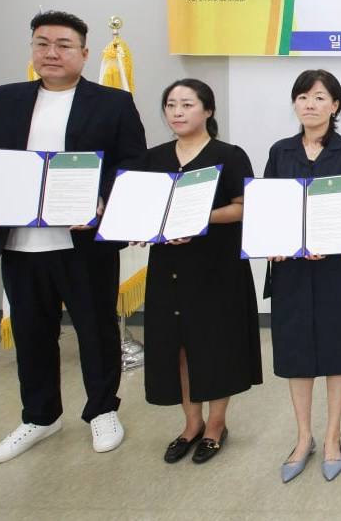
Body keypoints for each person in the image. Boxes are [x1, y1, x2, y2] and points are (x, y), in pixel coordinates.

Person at [0, 11, 147, 464]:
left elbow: (134, 166)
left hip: (82, 244)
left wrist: (105, 201)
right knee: (32, 334)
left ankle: (103, 409)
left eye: (63, 45)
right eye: (42, 43)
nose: (51, 52)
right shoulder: (3, 99)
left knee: (96, 331)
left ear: (84, 54)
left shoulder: (112, 104)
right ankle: (40, 416)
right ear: (31, 49)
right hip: (19, 243)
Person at [265, 69, 341, 483]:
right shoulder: (280, 151)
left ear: (335, 106)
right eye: (302, 97)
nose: (309, 104)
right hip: (291, 269)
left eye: (319, 97)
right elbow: (269, 207)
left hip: (335, 268)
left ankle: (332, 436)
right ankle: (303, 438)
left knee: (337, 349)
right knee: (296, 352)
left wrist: (331, 221)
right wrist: (277, 237)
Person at [140, 79, 262, 464]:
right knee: (176, 345)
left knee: (214, 345)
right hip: (167, 267)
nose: (177, 112)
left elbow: (244, 206)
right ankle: (190, 424)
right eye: (171, 105)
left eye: (187, 104)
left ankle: (215, 424)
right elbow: (141, 207)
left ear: (208, 111)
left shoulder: (229, 154)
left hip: (215, 267)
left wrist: (198, 219)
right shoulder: (154, 157)